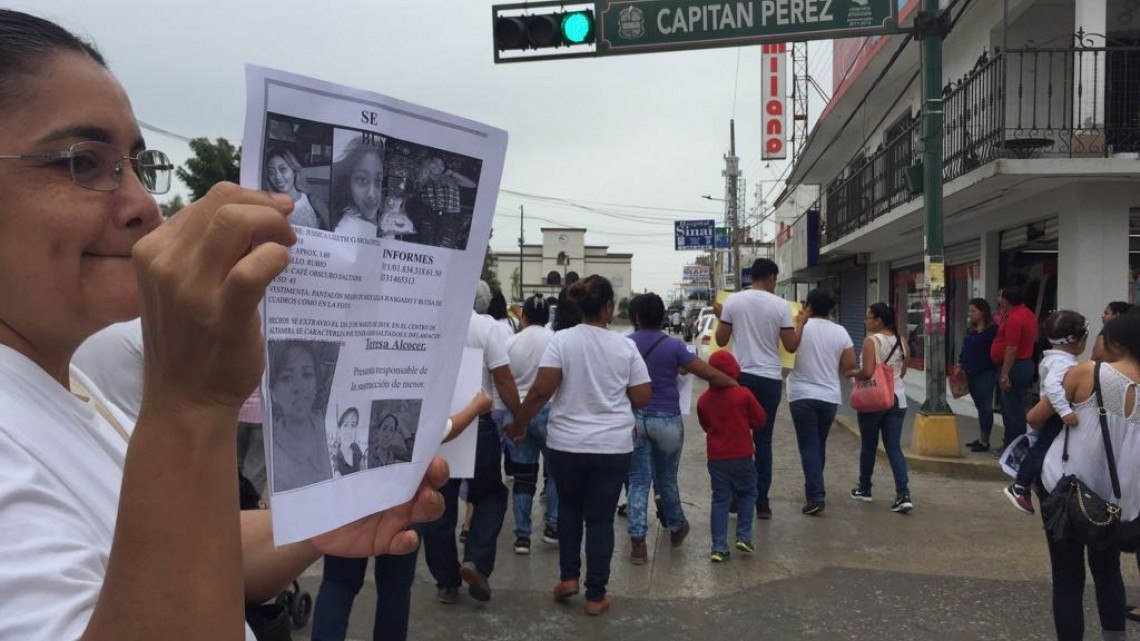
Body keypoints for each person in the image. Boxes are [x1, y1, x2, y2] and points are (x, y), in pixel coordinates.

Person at [0, 11, 447, 639]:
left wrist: (319, 522)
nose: (142, 207)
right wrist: (190, 401)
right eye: (82, 163)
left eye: (134, 163)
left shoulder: (59, 383)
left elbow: (164, 548)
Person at [508, 275, 651, 616]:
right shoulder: (625, 346)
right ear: (608, 308)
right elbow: (643, 396)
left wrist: (520, 424)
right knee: (600, 520)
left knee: (570, 509)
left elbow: (541, 391)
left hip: (567, 445)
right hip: (612, 446)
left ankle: (569, 577)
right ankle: (596, 595)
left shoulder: (562, 341)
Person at [311, 393, 490, 641]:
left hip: (348, 501)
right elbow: (444, 429)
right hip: (402, 503)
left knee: (338, 582)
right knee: (394, 587)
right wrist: (477, 407)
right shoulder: (411, 389)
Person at [1037, 311, 1140, 641]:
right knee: (1108, 570)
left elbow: (1037, 417)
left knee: (1067, 578)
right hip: (1118, 500)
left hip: (1070, 493)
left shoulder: (1088, 373)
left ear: (1113, 342)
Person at [422, 280, 522, 605]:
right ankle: (476, 560)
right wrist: (518, 420)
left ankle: (446, 584)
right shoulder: (487, 327)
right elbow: (504, 379)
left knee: (440, 503)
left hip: (437, 428)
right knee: (490, 494)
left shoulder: (430, 321)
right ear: (483, 302)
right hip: (478, 425)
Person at [626, 293, 737, 563]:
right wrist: (734, 385)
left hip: (634, 419)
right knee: (667, 478)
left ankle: (638, 541)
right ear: (664, 317)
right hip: (667, 420)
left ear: (637, 318)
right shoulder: (674, 347)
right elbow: (707, 373)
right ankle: (676, 525)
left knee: (638, 481)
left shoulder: (625, 344)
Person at [713, 258, 800, 520]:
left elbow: (721, 339)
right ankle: (761, 501)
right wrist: (800, 325)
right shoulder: (781, 306)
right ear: (771, 278)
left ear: (753, 277)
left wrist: (721, 317)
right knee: (763, 441)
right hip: (769, 379)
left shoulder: (733, 302)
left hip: (738, 379)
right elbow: (791, 346)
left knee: (735, 439)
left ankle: (735, 499)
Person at [1003, 310, 1088, 515]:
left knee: (1043, 448)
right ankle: (1020, 485)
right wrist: (1065, 411)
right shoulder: (1062, 362)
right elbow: (1052, 387)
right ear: (1076, 340)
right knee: (1042, 448)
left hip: (1054, 413)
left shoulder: (1055, 358)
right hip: (1054, 415)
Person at [784, 289, 856, 516]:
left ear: (809, 307)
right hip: (828, 396)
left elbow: (786, 354)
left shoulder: (798, 327)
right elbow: (849, 364)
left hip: (801, 395)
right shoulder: (841, 331)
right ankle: (814, 489)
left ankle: (816, 495)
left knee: (809, 445)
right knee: (818, 443)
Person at [503, 294, 559, 554]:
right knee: (556, 473)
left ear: (522, 317)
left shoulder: (510, 343)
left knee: (524, 477)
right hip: (551, 412)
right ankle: (552, 526)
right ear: (548, 317)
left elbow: (503, 381)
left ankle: (522, 536)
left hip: (518, 412)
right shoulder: (556, 341)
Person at [698, 350, 766, 562]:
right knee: (748, 492)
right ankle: (743, 536)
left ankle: (719, 547)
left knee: (720, 500)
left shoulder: (704, 400)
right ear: (734, 370)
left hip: (717, 458)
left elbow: (705, 425)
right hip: (742, 455)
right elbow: (760, 419)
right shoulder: (743, 394)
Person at [845, 303, 913, 514]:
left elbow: (866, 373)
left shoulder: (871, 341)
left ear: (878, 320)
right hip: (898, 397)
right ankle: (903, 493)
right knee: (893, 447)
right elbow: (902, 371)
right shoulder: (902, 341)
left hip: (874, 400)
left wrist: (851, 373)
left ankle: (864, 488)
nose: (866, 322)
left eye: (868, 318)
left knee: (869, 445)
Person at [268, 340, 334, 492]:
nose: (299, 387)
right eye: (286, 378)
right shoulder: (273, 454)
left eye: (307, 374)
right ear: (272, 393)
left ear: (317, 382)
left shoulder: (329, 426)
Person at [991, 286, 1038, 456]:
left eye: (1000, 297)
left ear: (1005, 300)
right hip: (1022, 364)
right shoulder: (1026, 314)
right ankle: (1012, 444)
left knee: (1012, 410)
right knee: (1013, 408)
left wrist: (1004, 374)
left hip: (1015, 366)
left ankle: (1014, 447)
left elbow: (1011, 348)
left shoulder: (1015, 318)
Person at [959, 298, 999, 452]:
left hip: (986, 371)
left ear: (983, 312)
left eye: (973, 311)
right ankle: (982, 437)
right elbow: (965, 348)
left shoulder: (992, 330)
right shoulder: (972, 329)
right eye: (969, 311)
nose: (970, 314)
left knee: (985, 407)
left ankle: (985, 440)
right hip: (970, 371)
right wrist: (960, 363)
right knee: (979, 405)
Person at [331, 136, 384, 237]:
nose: (371, 194)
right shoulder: (346, 230)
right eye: (362, 180)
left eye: (379, 181)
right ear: (348, 183)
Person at [264, 145, 325, 230]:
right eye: (271, 172)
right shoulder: (268, 207)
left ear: (294, 171)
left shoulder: (313, 201)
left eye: (283, 169)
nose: (277, 177)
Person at [331, 407, 365, 476]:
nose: (349, 431)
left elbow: (364, 472)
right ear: (339, 430)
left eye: (353, 425)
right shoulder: (337, 460)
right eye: (345, 425)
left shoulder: (356, 448)